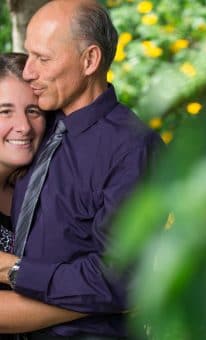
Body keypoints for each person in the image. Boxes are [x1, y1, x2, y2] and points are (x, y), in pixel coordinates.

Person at [0, 0, 162, 339]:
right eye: (29, 55)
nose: (29, 71)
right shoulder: (37, 128)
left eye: (43, 59)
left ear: (89, 60)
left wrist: (13, 270)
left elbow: (119, 277)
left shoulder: (132, 148)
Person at [0, 53, 87, 338]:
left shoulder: (44, 187)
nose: (23, 126)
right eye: (5, 111)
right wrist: (101, 297)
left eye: (33, 111)